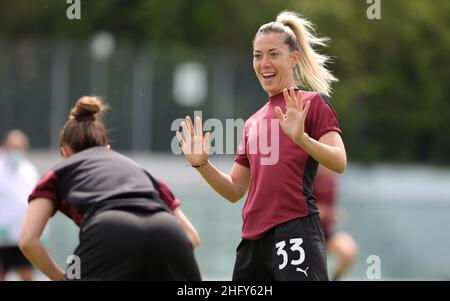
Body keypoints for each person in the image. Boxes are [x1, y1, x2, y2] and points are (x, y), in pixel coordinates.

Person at [176, 10, 346, 281]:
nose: (264, 63)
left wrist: (301, 137)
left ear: (294, 58)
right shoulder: (253, 122)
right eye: (257, 55)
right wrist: (202, 164)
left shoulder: (312, 104)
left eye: (273, 54)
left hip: (295, 231)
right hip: (252, 242)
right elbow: (234, 190)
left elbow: (338, 161)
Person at [19, 96, 201, 281]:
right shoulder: (140, 172)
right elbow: (191, 236)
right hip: (168, 229)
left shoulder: (59, 172)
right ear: (107, 148)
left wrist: (62, 278)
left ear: (64, 153)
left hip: (108, 227)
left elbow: (27, 240)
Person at [0, 130, 38, 281]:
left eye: (20, 147)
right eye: (13, 146)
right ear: (5, 146)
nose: (16, 150)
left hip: (23, 236)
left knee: (27, 275)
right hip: (2, 238)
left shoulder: (29, 169)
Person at [313, 164, 358, 281]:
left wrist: (331, 214)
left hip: (326, 234)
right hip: (309, 235)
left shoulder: (331, 181)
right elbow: (313, 210)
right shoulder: (309, 178)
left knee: (349, 251)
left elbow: (326, 210)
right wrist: (328, 213)